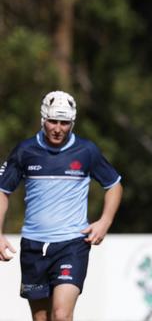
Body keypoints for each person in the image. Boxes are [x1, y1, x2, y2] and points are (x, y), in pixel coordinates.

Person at [0, 91, 123, 321]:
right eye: (53, 121)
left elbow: (114, 185)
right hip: (34, 246)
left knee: (61, 314)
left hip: (72, 245)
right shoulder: (25, 151)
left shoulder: (86, 151)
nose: (58, 128)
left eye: (64, 123)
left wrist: (105, 221)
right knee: (41, 318)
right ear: (42, 119)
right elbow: (2, 191)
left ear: (72, 123)